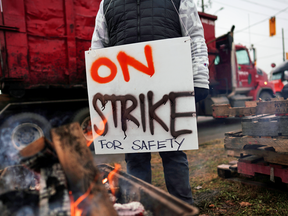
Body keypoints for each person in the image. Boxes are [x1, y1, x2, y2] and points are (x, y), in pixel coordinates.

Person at [91, 0, 209, 205]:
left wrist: (199, 79)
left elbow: (195, 37)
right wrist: (97, 87)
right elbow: (98, 46)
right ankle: (140, 207)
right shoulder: (107, 3)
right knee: (135, 155)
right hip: (127, 95)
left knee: (173, 152)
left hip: (169, 91)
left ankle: (182, 206)